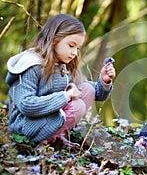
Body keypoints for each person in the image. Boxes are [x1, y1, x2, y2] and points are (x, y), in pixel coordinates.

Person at [5, 14, 116, 148]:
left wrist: (104, 81)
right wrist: (66, 96)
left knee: (87, 89)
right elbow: (26, 105)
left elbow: (94, 94)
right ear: (54, 40)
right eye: (71, 45)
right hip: (26, 125)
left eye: (78, 48)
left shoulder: (63, 65)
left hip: (46, 119)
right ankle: (41, 141)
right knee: (77, 106)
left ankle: (56, 136)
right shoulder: (31, 65)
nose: (75, 52)